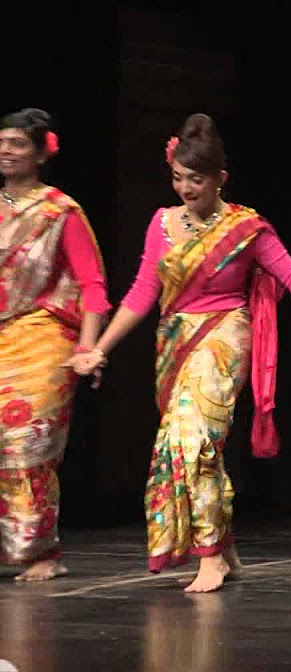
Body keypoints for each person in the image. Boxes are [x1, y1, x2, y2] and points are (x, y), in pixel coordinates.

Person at [66, 113, 291, 593]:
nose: (185, 188)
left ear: (220, 179)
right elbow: (140, 294)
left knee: (193, 437)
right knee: (187, 445)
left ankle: (209, 554)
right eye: (177, 177)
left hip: (225, 335)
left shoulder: (246, 228)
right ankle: (226, 547)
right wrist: (98, 348)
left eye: (196, 179)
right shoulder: (162, 224)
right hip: (174, 341)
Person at [0, 108, 109, 582]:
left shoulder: (60, 212)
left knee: (31, 443)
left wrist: (88, 347)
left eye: (18, 144)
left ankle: (41, 552)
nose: (6, 150)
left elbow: (93, 284)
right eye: (2, 142)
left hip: (45, 336)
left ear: (42, 153)